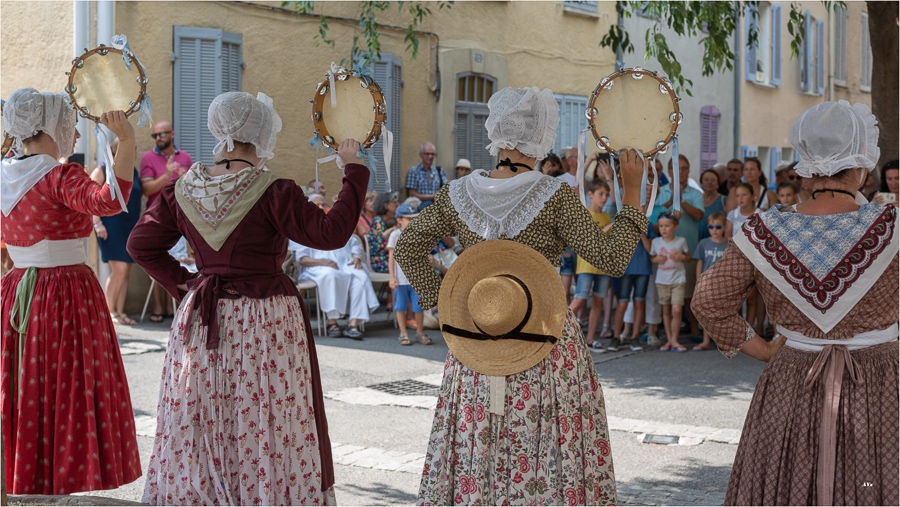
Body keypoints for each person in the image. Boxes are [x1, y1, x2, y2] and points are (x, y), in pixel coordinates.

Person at [394, 86, 649, 505]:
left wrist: (447, 305)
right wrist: (635, 194)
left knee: (481, 438)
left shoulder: (458, 193)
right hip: (544, 338)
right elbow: (612, 256)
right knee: (546, 438)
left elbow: (407, 248)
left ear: (498, 135)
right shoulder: (553, 196)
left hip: (476, 337)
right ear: (540, 135)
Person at [127, 91, 369, 504]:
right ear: (260, 135)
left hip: (202, 318)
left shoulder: (183, 188)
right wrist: (355, 173)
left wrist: (186, 283)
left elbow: (140, 244)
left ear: (220, 133)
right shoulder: (274, 190)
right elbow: (330, 234)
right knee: (266, 416)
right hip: (266, 320)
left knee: (203, 412)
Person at [693, 101, 898, 505]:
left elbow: (708, 301)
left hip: (793, 378)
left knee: (788, 483)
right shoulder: (892, 226)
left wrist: (766, 349)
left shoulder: (766, 229)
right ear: (861, 168)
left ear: (805, 169)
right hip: (880, 381)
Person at [1, 89, 141, 494]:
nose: (75, 135)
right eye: (70, 125)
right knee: (65, 387)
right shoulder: (59, 176)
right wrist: (128, 142)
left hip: (16, 291)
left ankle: (24, 478)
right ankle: (57, 480)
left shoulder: (4, 174)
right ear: (48, 127)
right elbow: (111, 201)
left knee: (24, 386)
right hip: (63, 292)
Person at [141, 120, 193, 322]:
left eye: (161, 134)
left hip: (181, 217)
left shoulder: (186, 157)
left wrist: (185, 179)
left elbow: (192, 188)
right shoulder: (148, 158)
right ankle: (158, 308)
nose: (158, 139)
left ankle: (177, 307)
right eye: (155, 135)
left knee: (178, 264)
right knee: (156, 263)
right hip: (156, 218)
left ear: (171, 134)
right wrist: (167, 175)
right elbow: (148, 190)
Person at [90, 137, 143, 325]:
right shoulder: (102, 169)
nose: (133, 152)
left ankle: (120, 313)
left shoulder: (134, 171)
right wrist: (97, 224)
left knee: (126, 270)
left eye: (133, 149)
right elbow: (90, 197)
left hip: (130, 226)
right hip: (110, 225)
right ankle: (109, 312)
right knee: (118, 270)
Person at [295, 234, 379, 340]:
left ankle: (353, 323)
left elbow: (355, 244)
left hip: (345, 265)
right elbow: (302, 259)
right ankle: (332, 321)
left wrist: (356, 257)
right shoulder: (307, 231)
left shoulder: (340, 228)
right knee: (330, 275)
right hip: (318, 267)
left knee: (360, 277)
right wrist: (324, 262)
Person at [656, 154, 704, 339]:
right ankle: (666, 334)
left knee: (689, 294)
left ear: (689, 171)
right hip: (665, 253)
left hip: (688, 251)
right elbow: (655, 219)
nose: (680, 172)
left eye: (684, 168)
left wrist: (681, 198)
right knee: (666, 296)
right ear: (669, 172)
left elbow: (699, 216)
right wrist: (671, 201)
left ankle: (693, 330)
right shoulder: (660, 192)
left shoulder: (696, 193)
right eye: (676, 168)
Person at [569, 179, 613, 350]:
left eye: (607, 195)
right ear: (590, 194)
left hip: (602, 268)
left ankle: (590, 340)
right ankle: (557, 334)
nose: (604, 198)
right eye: (601, 194)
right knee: (579, 300)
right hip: (586, 267)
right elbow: (587, 241)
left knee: (598, 303)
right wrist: (607, 229)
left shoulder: (607, 216)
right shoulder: (584, 214)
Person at [388, 203, 431, 346]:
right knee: (400, 306)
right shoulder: (395, 235)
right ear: (399, 220)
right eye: (409, 219)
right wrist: (392, 277)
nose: (413, 222)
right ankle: (403, 333)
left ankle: (420, 332)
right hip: (400, 278)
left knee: (418, 306)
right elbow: (391, 257)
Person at [650, 212, 690, 352]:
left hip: (678, 279)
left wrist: (681, 257)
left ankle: (675, 340)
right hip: (662, 281)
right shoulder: (655, 242)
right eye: (661, 226)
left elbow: (688, 257)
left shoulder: (681, 241)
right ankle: (669, 340)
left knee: (677, 309)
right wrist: (656, 260)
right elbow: (652, 258)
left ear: (675, 227)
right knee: (666, 310)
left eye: (667, 225)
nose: (664, 229)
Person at [691, 211, 727, 351]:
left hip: (722, 285)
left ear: (724, 227)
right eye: (711, 227)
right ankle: (706, 340)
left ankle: (722, 341)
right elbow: (700, 262)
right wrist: (698, 280)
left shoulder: (728, 245)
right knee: (707, 312)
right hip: (707, 284)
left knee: (722, 313)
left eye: (718, 227)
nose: (714, 230)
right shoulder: (703, 243)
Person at [405, 142, 447, 210]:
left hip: (437, 207)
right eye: (427, 154)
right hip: (420, 206)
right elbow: (411, 193)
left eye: (432, 154)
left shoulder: (439, 170)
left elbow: (446, 189)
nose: (430, 156)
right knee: (427, 203)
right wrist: (431, 197)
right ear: (421, 155)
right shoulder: (414, 171)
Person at [366, 191, 399, 273]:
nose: (397, 204)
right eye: (394, 202)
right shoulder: (377, 221)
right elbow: (383, 246)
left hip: (390, 258)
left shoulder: (389, 221)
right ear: (386, 206)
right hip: (381, 262)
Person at [699, 168, 727, 240]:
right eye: (706, 180)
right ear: (701, 184)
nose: (709, 182)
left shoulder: (724, 200)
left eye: (713, 180)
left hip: (717, 244)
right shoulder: (696, 199)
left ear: (718, 184)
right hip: (696, 242)